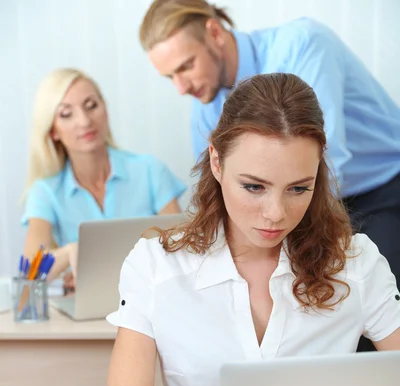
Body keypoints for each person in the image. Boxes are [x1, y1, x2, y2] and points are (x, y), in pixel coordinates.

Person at [105, 73, 400, 386]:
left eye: (299, 188)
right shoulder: (155, 266)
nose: (276, 213)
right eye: (254, 187)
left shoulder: (357, 263)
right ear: (216, 161)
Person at [139, 0, 400, 293]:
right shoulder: (206, 105)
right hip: (297, 201)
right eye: (170, 76)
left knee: (364, 299)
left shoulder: (304, 44)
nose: (181, 87)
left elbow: (327, 163)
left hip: (381, 188)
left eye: (186, 66)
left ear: (214, 33)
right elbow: (216, 190)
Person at [21, 68, 186, 284]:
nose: (84, 121)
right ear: (53, 130)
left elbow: (183, 250)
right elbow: (30, 275)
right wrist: (71, 253)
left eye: (91, 106)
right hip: (87, 311)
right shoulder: (45, 192)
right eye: (66, 114)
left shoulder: (150, 170)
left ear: (105, 110)